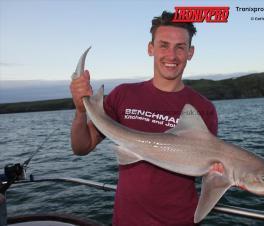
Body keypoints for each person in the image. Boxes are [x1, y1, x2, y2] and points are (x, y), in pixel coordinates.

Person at [70, 11, 223, 226]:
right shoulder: (123, 95)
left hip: (180, 220)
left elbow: (210, 171)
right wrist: (80, 110)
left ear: (190, 52)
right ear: (150, 48)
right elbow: (82, 147)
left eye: (180, 47)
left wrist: (232, 176)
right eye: (163, 45)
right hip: (126, 220)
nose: (171, 55)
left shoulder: (203, 108)